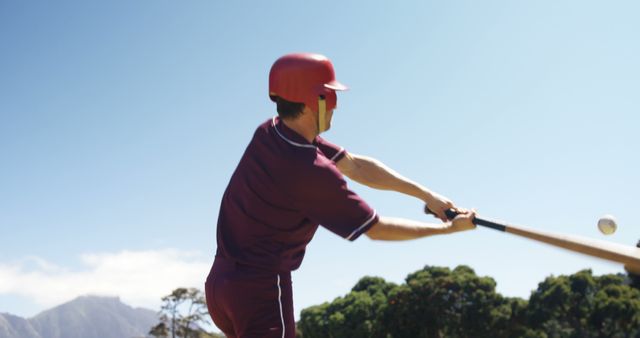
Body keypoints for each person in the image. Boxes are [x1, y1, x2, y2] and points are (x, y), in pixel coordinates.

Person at [205, 53, 476, 338]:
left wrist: (426, 195)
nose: (336, 106)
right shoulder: (309, 169)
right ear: (318, 100)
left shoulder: (272, 132)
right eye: (332, 96)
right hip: (260, 288)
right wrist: (447, 231)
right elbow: (378, 230)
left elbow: (356, 165)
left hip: (221, 285)